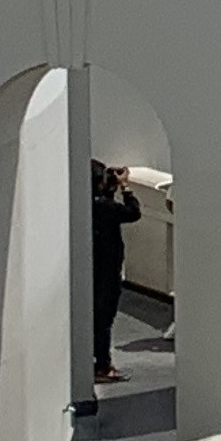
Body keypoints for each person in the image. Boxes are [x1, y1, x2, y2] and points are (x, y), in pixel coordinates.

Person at [89, 160, 135, 384]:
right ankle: (103, 365)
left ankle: (93, 362)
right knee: (104, 319)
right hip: (108, 271)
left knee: (92, 318)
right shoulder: (107, 208)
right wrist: (125, 187)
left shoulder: (86, 207)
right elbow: (133, 213)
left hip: (90, 268)